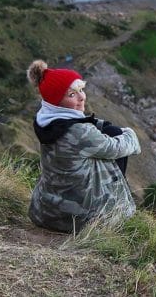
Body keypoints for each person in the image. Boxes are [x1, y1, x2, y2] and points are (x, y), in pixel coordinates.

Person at [26, 59, 141, 233]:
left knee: (109, 133)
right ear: (56, 101)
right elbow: (116, 148)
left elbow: (81, 127)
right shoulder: (79, 132)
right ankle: (118, 209)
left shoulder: (45, 121)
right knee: (115, 143)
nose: (81, 97)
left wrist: (102, 126)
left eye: (81, 90)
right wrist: (129, 133)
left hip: (45, 211)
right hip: (79, 220)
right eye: (72, 95)